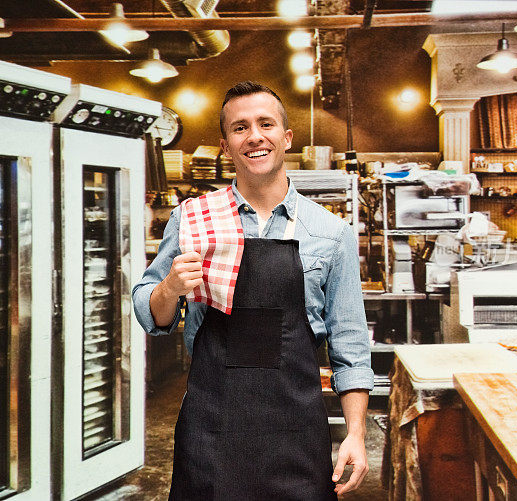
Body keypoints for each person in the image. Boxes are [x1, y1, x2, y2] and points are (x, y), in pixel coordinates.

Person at [133, 81, 373, 500]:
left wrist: (356, 433)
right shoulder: (195, 220)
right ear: (226, 145)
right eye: (240, 128)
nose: (255, 136)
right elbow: (151, 313)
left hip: (296, 428)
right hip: (213, 422)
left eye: (266, 124)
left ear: (286, 137)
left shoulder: (331, 233)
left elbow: (350, 343)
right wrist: (170, 287)